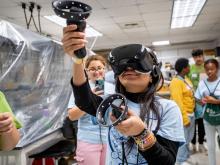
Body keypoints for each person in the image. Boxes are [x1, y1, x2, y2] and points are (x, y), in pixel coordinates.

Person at [62, 24, 185, 165]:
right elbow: (83, 100)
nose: (128, 68)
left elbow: (167, 162)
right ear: (118, 77)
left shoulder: (168, 108)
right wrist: (78, 59)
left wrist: (141, 133)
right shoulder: (112, 103)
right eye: (123, 67)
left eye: (136, 66)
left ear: (153, 75)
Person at [67, 55, 114, 165]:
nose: (97, 72)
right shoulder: (80, 89)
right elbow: (71, 116)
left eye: (99, 68)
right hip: (88, 140)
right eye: (92, 69)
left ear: (104, 69)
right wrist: (89, 99)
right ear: (86, 71)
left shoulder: (113, 88)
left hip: (110, 140)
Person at [169, 58, 195, 164]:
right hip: (184, 115)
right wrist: (185, 119)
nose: (189, 68)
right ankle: (180, 161)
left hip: (191, 113)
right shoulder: (175, 82)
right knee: (182, 140)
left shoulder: (185, 79)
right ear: (184, 69)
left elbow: (190, 94)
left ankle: (185, 157)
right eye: (188, 66)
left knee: (188, 138)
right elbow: (178, 102)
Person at [195, 58, 220, 165]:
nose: (209, 72)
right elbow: (197, 98)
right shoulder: (202, 83)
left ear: (217, 69)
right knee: (210, 146)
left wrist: (215, 101)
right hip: (207, 118)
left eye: (212, 69)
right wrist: (202, 101)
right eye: (207, 69)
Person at [188, 49, 207, 153]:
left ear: (203, 56)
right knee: (192, 124)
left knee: (202, 123)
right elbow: (186, 83)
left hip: (204, 100)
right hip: (192, 100)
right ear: (193, 58)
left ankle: (201, 144)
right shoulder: (190, 68)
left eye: (200, 56)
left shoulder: (207, 67)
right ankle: (193, 144)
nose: (198, 58)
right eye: (196, 57)